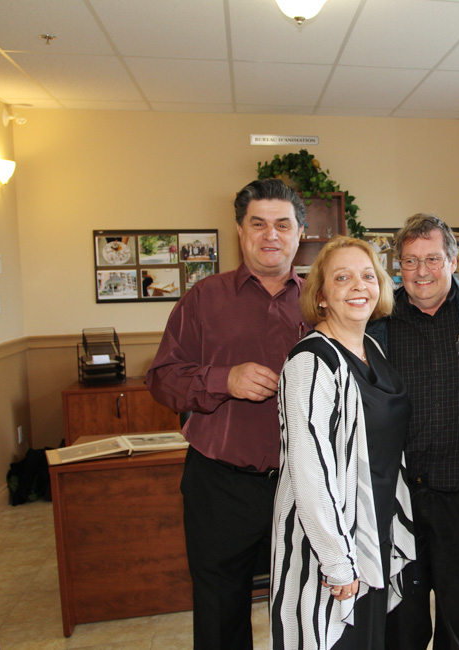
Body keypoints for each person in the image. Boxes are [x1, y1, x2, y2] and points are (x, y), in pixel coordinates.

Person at [147, 178, 307, 650]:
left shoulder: (324, 299)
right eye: (258, 224)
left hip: (304, 484)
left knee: (307, 605)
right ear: (240, 231)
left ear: (300, 232)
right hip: (220, 483)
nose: (270, 235)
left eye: (282, 224)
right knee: (220, 611)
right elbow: (161, 378)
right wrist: (223, 380)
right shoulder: (204, 298)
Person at [367, 213, 459, 650]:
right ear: (398, 266)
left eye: (432, 258)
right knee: (403, 628)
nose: (422, 271)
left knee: (455, 624)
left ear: (453, 260)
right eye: (410, 261)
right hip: (400, 501)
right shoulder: (380, 317)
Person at [271, 236, 414, 650]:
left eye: (368, 276)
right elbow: (309, 471)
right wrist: (337, 561)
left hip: (373, 529)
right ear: (321, 297)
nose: (359, 286)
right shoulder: (310, 363)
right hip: (328, 546)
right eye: (343, 277)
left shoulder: (371, 347)